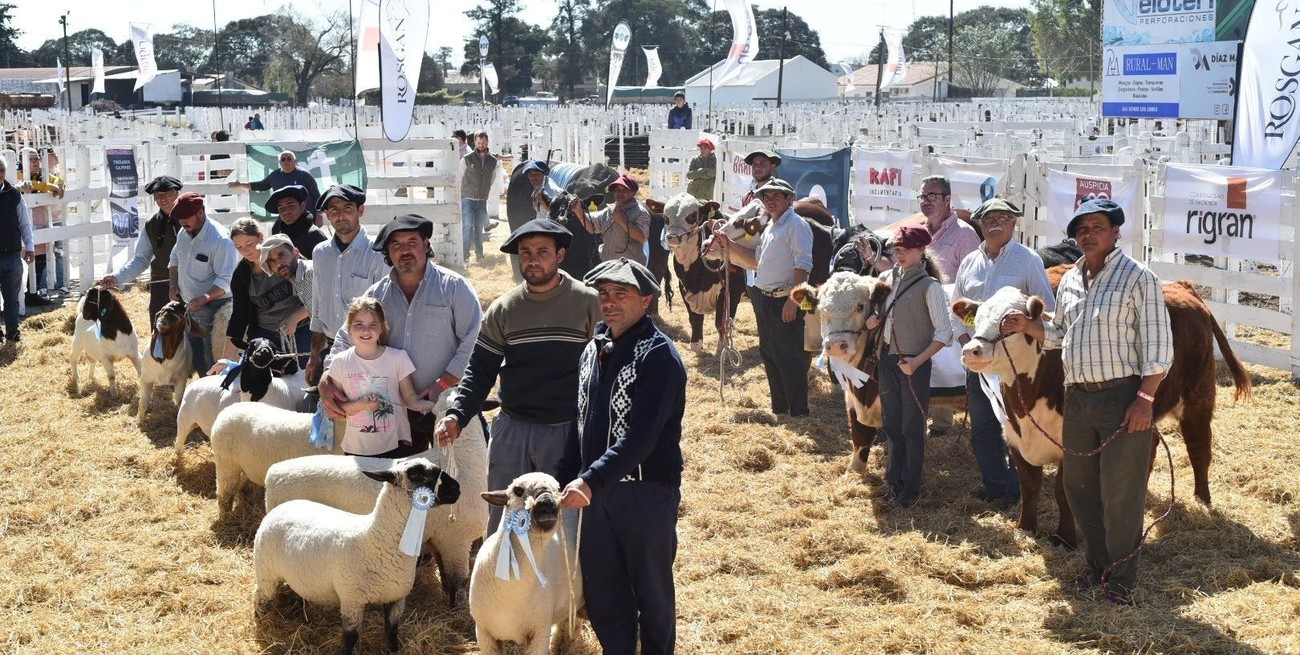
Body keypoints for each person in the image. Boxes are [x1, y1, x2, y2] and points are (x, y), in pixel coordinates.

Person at [1000, 199, 1172, 606]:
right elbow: (1059, 335)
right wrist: (1028, 326)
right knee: (1079, 488)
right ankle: (1097, 568)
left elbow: (1160, 349)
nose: (1087, 234)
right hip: (1076, 398)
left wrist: (1145, 399)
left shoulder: (1138, 278)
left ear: (1116, 232)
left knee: (1121, 492)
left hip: (1121, 395)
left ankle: (1121, 581)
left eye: (1097, 226)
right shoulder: (1074, 279)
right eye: (1081, 229)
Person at [435, 218, 601, 531]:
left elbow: (605, 370)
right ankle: (503, 579)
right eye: (525, 253)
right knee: (507, 520)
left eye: (542, 251)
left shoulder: (588, 303)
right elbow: (480, 370)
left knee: (562, 520)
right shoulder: (503, 309)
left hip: (566, 431)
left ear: (560, 255)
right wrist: (457, 415)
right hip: (513, 431)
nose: (533, 259)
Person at [556, 258, 686, 655]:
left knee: (651, 590)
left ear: (646, 300)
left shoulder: (658, 355)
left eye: (621, 295)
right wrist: (564, 476)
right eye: (604, 294)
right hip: (595, 493)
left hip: (644, 491)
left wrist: (590, 480)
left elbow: (642, 438)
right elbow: (580, 421)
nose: (609, 303)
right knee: (604, 589)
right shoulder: (594, 348)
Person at [319, 214, 482, 456]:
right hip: (395, 408)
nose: (404, 251)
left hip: (448, 403)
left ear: (426, 245)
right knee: (406, 481)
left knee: (455, 475)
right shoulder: (377, 294)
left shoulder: (454, 287)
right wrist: (327, 376)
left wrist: (442, 383)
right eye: (396, 245)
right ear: (388, 253)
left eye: (412, 243)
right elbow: (345, 336)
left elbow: (475, 340)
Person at [952, 198, 1056, 510]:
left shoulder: (1027, 260)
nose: (995, 223)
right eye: (988, 218)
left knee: (1015, 426)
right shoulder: (970, 261)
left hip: (1014, 364)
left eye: (1003, 217)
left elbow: (1047, 310)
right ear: (979, 224)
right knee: (983, 425)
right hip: (980, 358)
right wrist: (963, 340)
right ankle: (995, 486)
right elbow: (956, 306)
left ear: (1014, 223)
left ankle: (1018, 491)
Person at [868, 225, 952, 508]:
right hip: (888, 359)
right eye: (896, 249)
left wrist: (917, 361)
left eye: (904, 249)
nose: (899, 254)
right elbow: (880, 314)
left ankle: (911, 486)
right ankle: (894, 481)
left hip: (913, 364)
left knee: (912, 427)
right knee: (891, 424)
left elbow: (944, 334)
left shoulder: (931, 287)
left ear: (921, 251)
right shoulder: (886, 278)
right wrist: (874, 322)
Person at [718, 178, 813, 417]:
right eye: (766, 198)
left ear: (789, 199)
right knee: (770, 354)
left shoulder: (796, 225)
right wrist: (728, 244)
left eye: (776, 197)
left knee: (790, 356)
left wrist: (794, 299)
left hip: (785, 298)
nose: (770, 202)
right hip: (765, 298)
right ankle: (780, 409)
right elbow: (756, 263)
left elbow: (803, 264)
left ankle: (799, 413)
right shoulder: (771, 227)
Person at [324, 296, 436, 457]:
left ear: (382, 328)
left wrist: (435, 407)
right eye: (359, 325)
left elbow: (411, 399)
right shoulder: (340, 362)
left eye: (373, 325)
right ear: (349, 328)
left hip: (396, 447)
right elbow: (338, 409)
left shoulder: (398, 358)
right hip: (357, 450)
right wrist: (362, 405)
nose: (366, 330)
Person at [309, 184, 389, 386]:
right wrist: (314, 354)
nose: (340, 216)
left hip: (366, 352)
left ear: (360, 210)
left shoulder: (378, 253)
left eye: (347, 208)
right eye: (333, 210)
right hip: (330, 351)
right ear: (327, 215)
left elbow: (385, 308)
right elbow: (318, 304)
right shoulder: (320, 253)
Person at [213, 219, 311, 371]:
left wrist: (295, 317)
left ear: (261, 237)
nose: (245, 251)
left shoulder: (284, 258)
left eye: (249, 244)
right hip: (266, 333)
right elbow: (239, 317)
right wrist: (226, 358)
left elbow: (317, 297)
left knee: (302, 376)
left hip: (300, 328)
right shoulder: (241, 276)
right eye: (238, 247)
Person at [167, 192, 238, 375]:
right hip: (192, 305)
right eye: (180, 218)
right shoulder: (184, 232)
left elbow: (226, 279)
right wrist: (173, 285)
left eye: (186, 217)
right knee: (196, 352)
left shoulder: (220, 239)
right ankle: (203, 389)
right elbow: (174, 258)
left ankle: (214, 394)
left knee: (210, 355)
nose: (182, 222)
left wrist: (204, 298)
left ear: (200, 212)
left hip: (214, 306)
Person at [102, 175, 185, 319]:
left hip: (192, 281)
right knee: (159, 327)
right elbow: (141, 259)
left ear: (177, 193)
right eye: (158, 195)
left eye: (167, 194)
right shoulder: (152, 224)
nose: (162, 199)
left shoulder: (192, 216)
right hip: (162, 283)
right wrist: (117, 277)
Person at [570, 173, 650, 266]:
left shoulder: (640, 212)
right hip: (608, 265)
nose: (619, 193)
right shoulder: (609, 211)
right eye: (616, 190)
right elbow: (592, 227)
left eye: (624, 189)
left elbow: (642, 237)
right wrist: (579, 211)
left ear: (633, 192)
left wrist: (623, 221)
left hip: (630, 266)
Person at [17, 148, 63, 305]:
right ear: (23, 162)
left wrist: (56, 185)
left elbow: (59, 181)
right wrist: (50, 187)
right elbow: (36, 185)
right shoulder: (19, 175)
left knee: (41, 258)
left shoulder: (42, 176)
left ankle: (32, 292)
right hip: (21, 225)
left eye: (37, 159)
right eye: (32, 160)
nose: (37, 162)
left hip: (39, 223)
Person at [228, 150, 321, 223]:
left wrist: (319, 216)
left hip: (305, 216)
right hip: (286, 217)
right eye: (283, 159)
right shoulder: (274, 176)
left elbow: (316, 195)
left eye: (289, 158)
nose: (286, 161)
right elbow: (261, 185)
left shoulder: (305, 175)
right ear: (280, 162)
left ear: (295, 161)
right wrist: (240, 184)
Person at [0, 158, 35, 345]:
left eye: (2, 170)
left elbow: (24, 223)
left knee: (12, 298)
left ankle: (12, 332)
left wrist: (29, 247)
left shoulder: (14, 195)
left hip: (13, 254)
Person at [459, 130, 498, 262]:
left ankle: (479, 255)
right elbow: (460, 176)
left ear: (487, 142)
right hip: (468, 198)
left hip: (482, 199)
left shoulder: (493, 161)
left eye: (484, 142)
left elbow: (492, 178)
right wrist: (463, 192)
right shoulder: (467, 159)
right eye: (479, 142)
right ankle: (465, 255)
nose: (481, 145)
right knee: (467, 227)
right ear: (474, 142)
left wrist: (484, 190)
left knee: (479, 228)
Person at [266, 185, 327, 259]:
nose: (285, 212)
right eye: (281, 208)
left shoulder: (315, 235)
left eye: (291, 206)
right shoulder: (278, 234)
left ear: (303, 205)